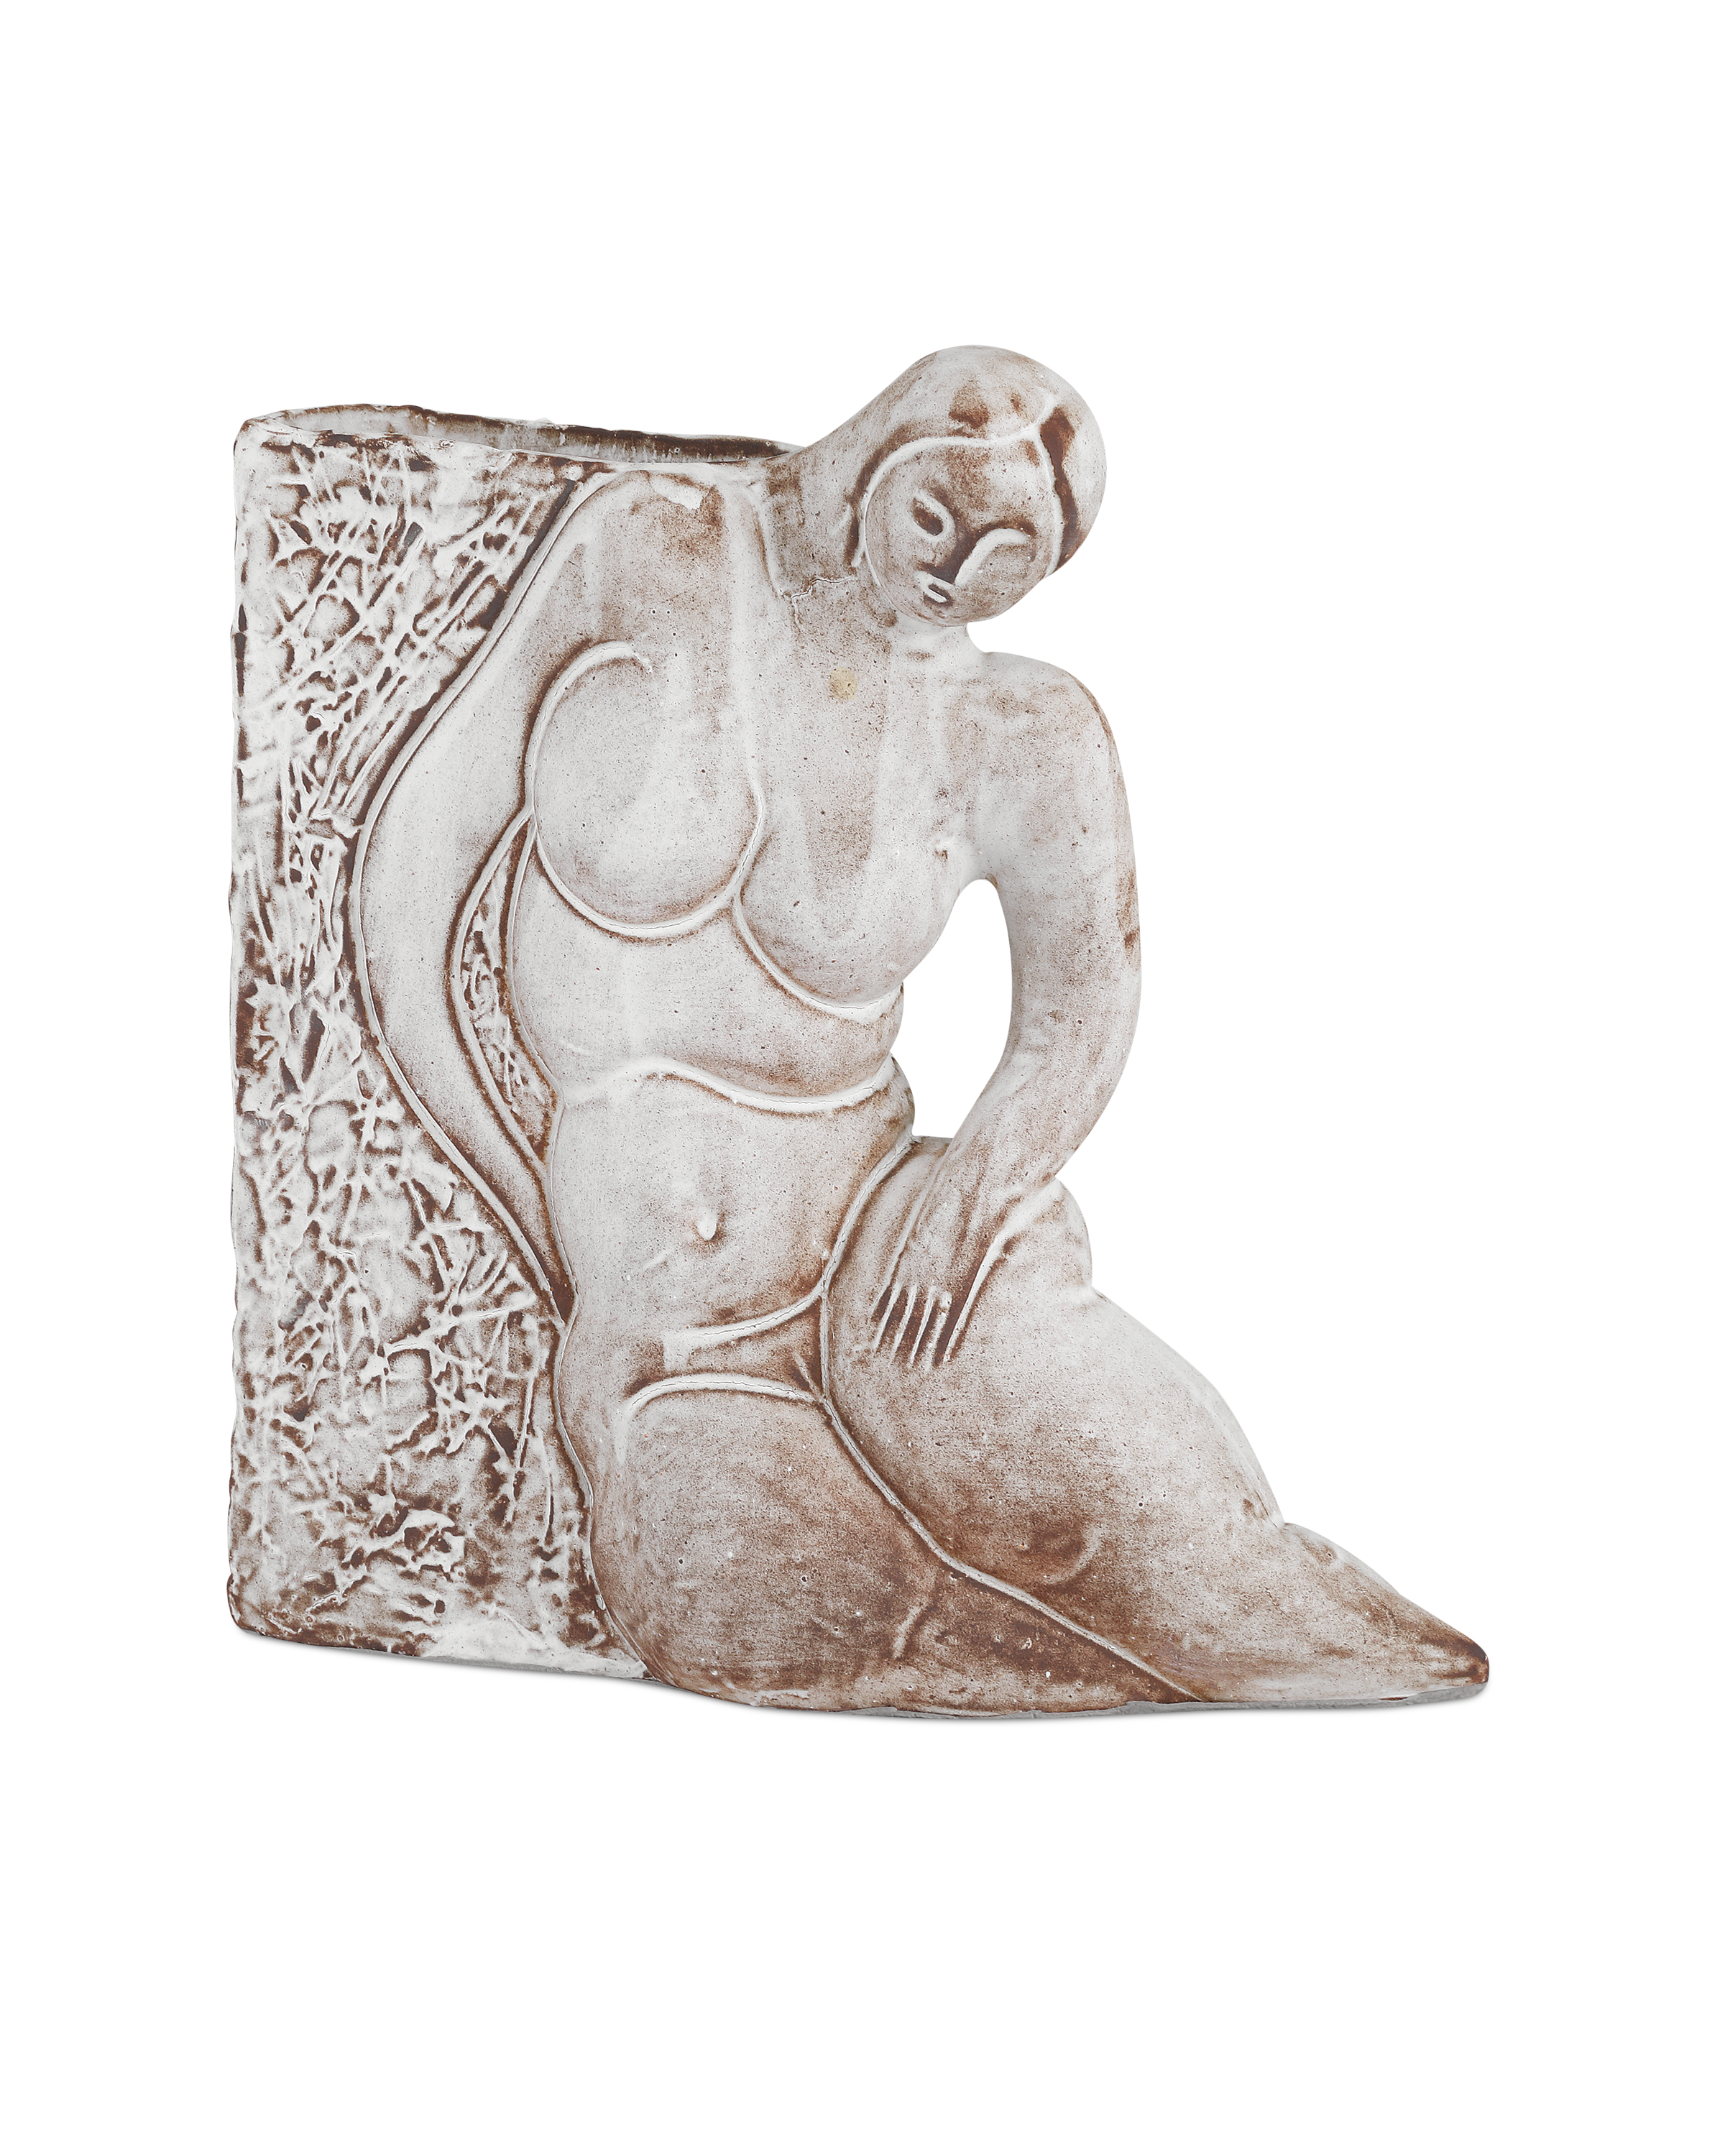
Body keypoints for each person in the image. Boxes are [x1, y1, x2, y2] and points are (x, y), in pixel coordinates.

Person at [356, 349, 1488, 1715]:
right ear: (875, 459)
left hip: (893, 1263)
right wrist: (525, 1216)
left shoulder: (1009, 727)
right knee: (746, 1621)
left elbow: (1084, 1006)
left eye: (1006, 557)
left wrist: (983, 1176)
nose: (952, 577)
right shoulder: (651, 549)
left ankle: (1338, 1663)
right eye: (936, 518)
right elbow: (407, 882)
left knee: (1163, 1560)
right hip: (675, 1340)